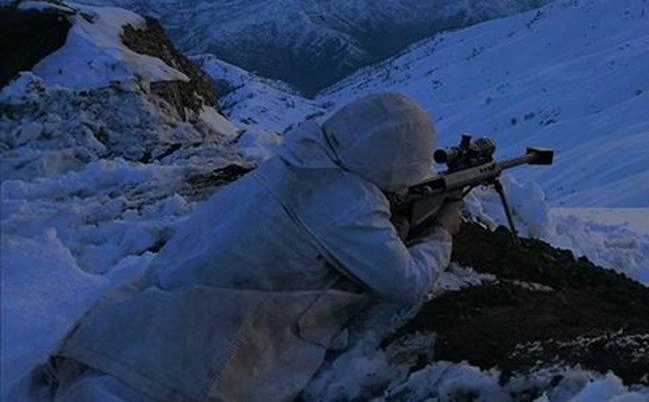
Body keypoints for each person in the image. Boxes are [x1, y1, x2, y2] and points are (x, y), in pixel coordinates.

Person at [46, 93, 461, 402]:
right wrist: (442, 230)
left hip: (172, 287)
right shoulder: (347, 203)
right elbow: (405, 282)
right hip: (207, 326)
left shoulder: (303, 156)